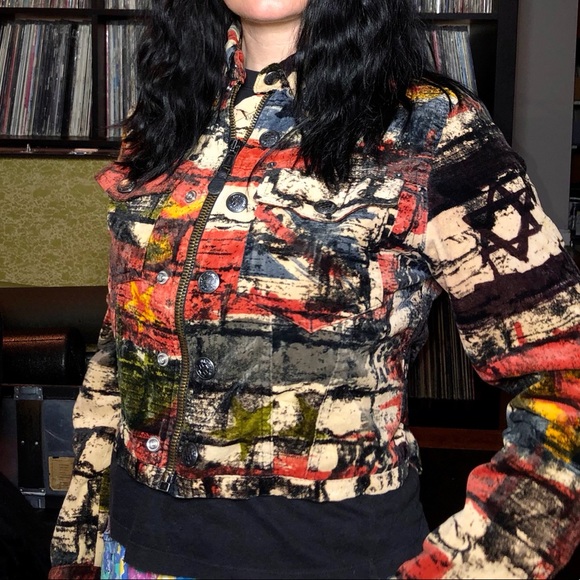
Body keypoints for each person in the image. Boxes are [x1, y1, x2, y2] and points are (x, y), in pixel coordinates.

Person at [49, 0, 580, 578]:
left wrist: (474, 568)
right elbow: (121, 351)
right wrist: (78, 545)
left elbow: (567, 377)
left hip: (332, 559)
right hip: (133, 554)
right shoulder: (168, 113)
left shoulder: (431, 127)